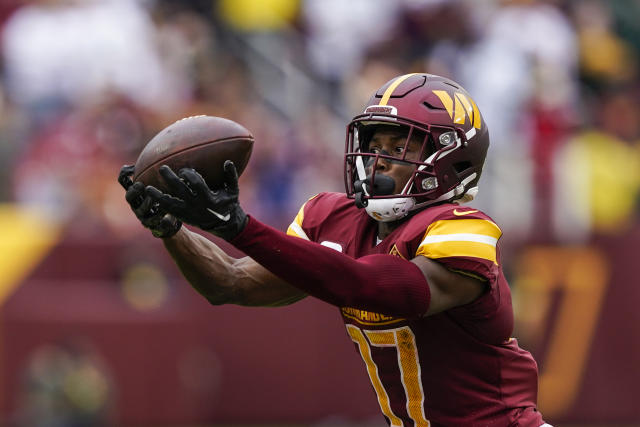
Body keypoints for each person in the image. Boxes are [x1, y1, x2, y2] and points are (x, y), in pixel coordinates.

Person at [119, 73, 550, 427]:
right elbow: (229, 282)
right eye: (374, 144)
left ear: (450, 159)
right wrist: (169, 226)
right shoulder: (331, 218)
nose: (376, 159)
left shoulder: (465, 229)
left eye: (398, 146)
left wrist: (242, 228)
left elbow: (380, 287)